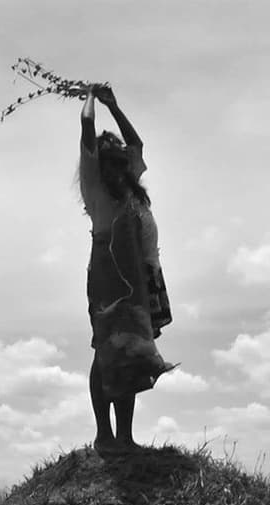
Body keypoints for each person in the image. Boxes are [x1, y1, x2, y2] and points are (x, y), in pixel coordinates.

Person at [79, 84, 176, 454]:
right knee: (107, 348)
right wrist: (89, 96)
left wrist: (115, 107)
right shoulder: (96, 186)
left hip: (141, 273)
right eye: (113, 153)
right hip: (109, 274)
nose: (122, 155)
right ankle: (105, 435)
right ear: (103, 162)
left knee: (133, 350)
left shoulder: (131, 187)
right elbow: (86, 127)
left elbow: (137, 144)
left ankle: (124, 437)